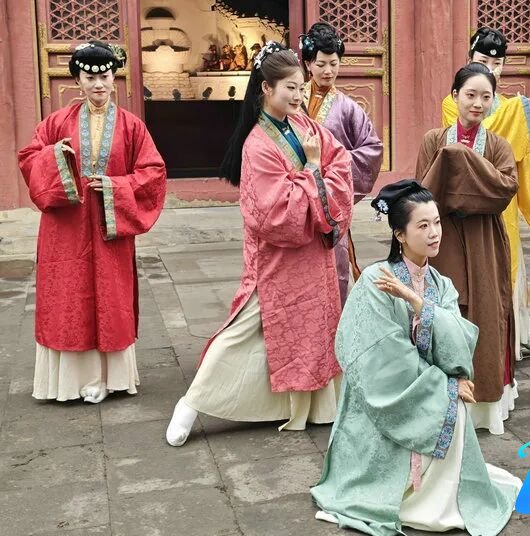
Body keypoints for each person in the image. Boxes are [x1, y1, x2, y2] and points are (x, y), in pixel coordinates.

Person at [165, 42, 353, 446]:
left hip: (312, 253)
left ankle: (314, 407)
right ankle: (192, 402)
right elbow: (273, 212)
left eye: (301, 88)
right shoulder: (257, 144)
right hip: (276, 256)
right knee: (244, 327)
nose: (298, 96)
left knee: (312, 329)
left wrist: (316, 174)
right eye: (290, 88)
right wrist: (314, 170)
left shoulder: (306, 126)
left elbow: (341, 164)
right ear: (266, 88)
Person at [311, 180, 520, 535]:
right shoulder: (375, 282)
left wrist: (418, 303)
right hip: (383, 399)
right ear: (400, 235)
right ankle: (409, 496)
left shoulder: (440, 284)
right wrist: (443, 385)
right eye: (423, 225)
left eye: (437, 222)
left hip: (422, 385)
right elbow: (381, 358)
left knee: (452, 405)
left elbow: (458, 343)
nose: (434, 233)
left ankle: (441, 496)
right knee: (447, 401)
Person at [18, 41, 166, 403]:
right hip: (65, 228)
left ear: (114, 78)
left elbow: (153, 172)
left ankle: (112, 379)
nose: (99, 84)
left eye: (105, 76)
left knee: (110, 296)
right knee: (67, 297)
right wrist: (55, 157)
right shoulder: (56, 123)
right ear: (78, 81)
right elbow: (29, 157)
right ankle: (68, 383)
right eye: (90, 77)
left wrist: (116, 186)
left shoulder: (132, 127)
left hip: (109, 227)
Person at [442, 27, 530, 362]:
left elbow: (525, 163)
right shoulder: (453, 102)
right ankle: (479, 338)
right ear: (469, 59)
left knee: (512, 268)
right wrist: (516, 113)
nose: (491, 68)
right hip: (470, 200)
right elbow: (472, 139)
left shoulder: (505, 105)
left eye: (498, 63)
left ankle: (522, 334)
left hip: (504, 200)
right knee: (474, 272)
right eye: (483, 60)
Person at [418, 63, 518, 435]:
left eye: (485, 97)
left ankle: (485, 402)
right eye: (470, 95)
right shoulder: (433, 140)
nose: (477, 103)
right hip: (441, 236)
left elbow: (504, 191)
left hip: (484, 238)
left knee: (486, 313)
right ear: (455, 96)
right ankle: (441, 397)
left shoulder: (497, 145)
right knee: (445, 312)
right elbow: (422, 192)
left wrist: (460, 161)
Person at [300, 22, 383, 302]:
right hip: (297, 195)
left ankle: (335, 324)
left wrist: (335, 165)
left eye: (334, 64)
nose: (328, 71)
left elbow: (372, 149)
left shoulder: (348, 108)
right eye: (321, 64)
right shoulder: (293, 101)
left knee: (335, 267)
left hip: (331, 199)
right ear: (308, 64)